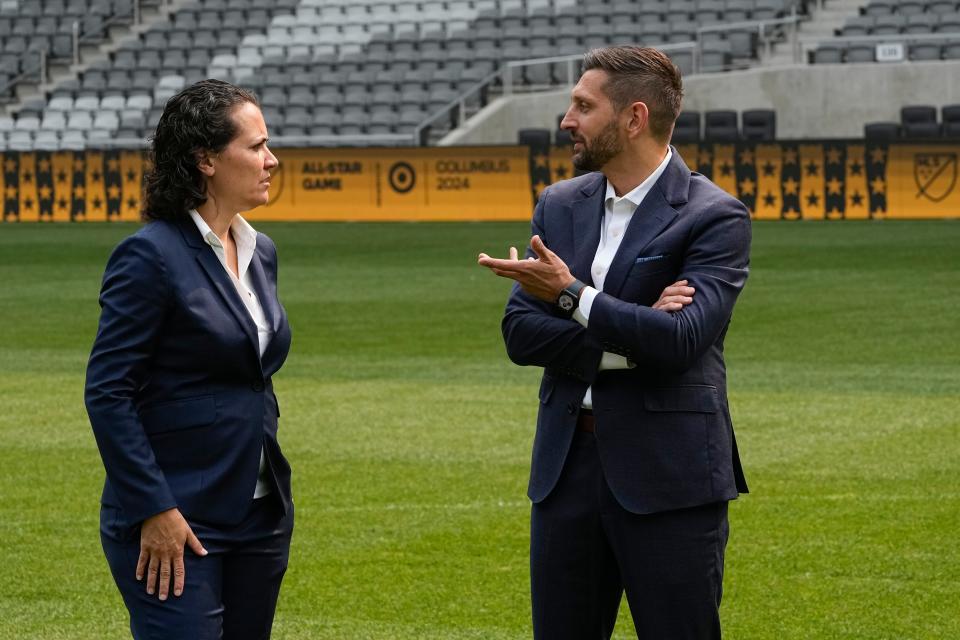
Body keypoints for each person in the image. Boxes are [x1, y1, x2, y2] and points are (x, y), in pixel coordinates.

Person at [477, 46, 750, 639]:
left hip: (670, 475)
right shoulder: (559, 204)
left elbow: (680, 340)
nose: (567, 119)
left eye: (582, 105)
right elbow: (520, 333)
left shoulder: (714, 216)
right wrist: (628, 340)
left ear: (635, 118)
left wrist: (571, 296)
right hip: (566, 467)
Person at [85, 79, 292, 639]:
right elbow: (108, 391)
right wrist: (154, 508)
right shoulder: (148, 255)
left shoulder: (260, 251)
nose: (271, 160)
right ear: (205, 159)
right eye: (255, 147)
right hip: (175, 518)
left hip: (259, 513)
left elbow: (253, 376)